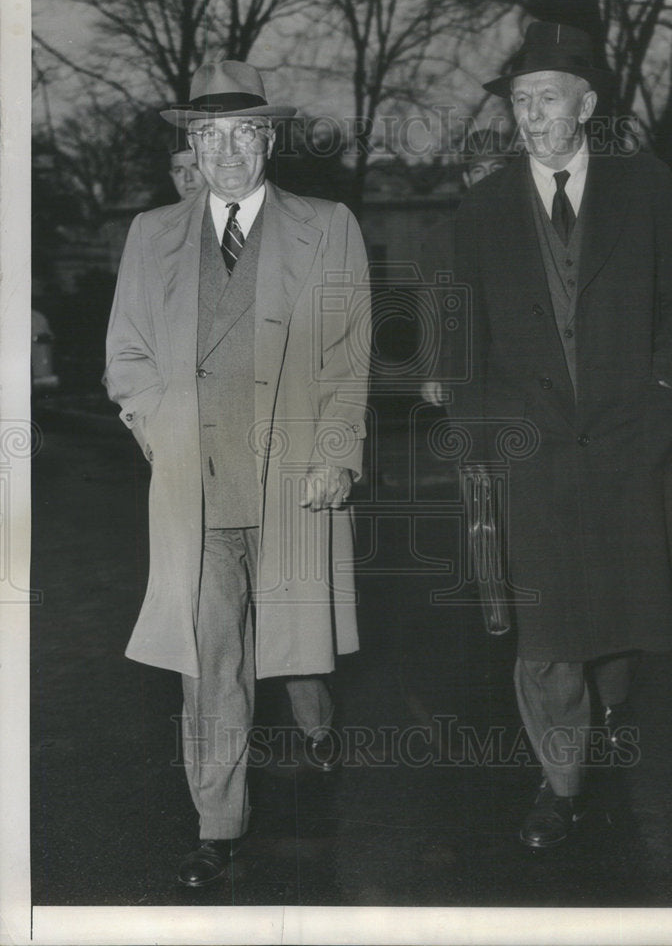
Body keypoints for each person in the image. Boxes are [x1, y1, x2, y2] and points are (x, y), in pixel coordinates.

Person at [449, 22, 672, 848]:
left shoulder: (646, 186)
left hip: (632, 442)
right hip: (529, 450)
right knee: (547, 632)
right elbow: (461, 332)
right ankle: (560, 784)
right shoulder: (483, 205)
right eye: (520, 102)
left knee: (621, 621)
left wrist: (666, 395)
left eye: (547, 99)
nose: (531, 116)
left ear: (587, 105)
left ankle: (611, 707)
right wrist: (479, 437)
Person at [104, 61, 370, 886]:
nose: (225, 153)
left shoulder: (326, 226)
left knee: (298, 647)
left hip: (293, 483)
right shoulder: (152, 234)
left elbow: (346, 353)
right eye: (208, 136)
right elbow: (128, 358)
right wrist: (166, 431)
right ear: (192, 144)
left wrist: (335, 451)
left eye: (242, 134)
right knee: (209, 662)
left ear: (268, 140)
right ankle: (217, 825)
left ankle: (319, 727)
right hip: (201, 491)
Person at [419, 127, 513, 408]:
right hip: (464, 372)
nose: (489, 178)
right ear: (466, 179)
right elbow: (431, 309)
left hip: (528, 375)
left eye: (497, 168)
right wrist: (432, 372)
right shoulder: (442, 238)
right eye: (478, 171)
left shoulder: (537, 232)